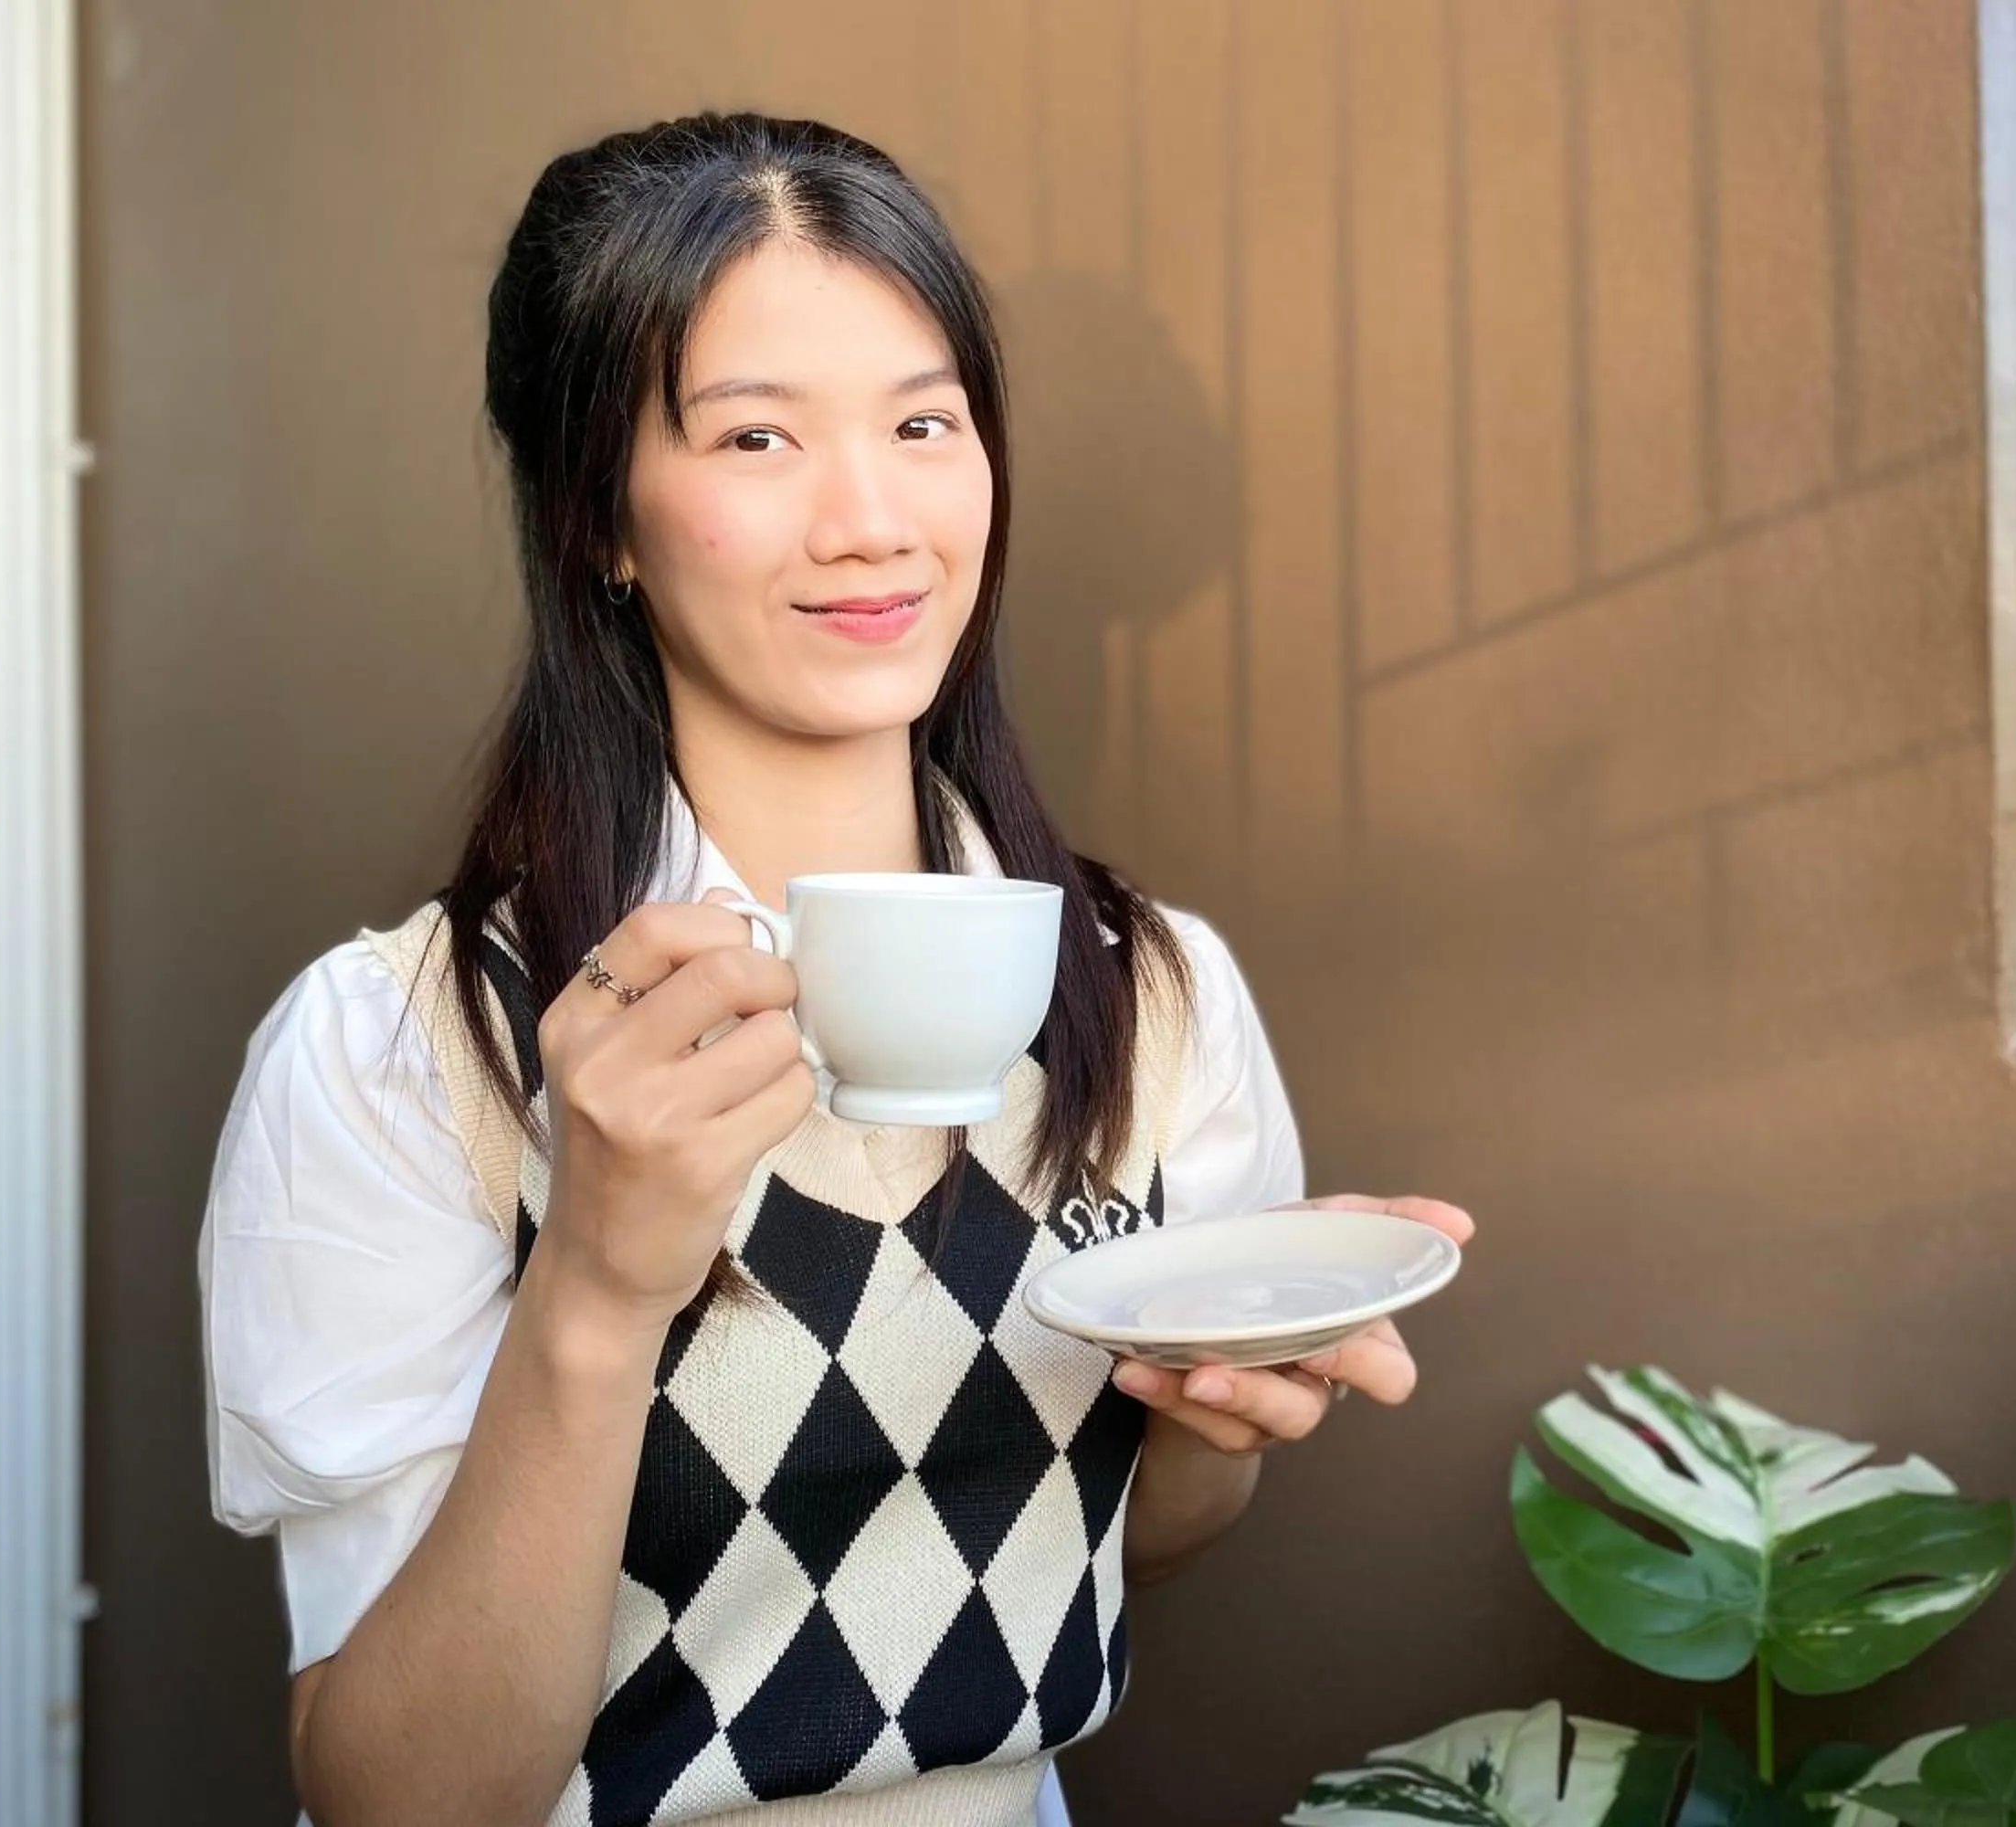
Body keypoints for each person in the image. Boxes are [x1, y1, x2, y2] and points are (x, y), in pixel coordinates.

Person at [197, 111, 1473, 1827]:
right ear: (598, 519)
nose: (873, 522)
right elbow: (396, 1799)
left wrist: (1225, 1394)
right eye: (757, 438)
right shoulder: (409, 1047)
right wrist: (594, 1289)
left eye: (923, 424)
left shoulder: (1151, 997)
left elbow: (1132, 1537)